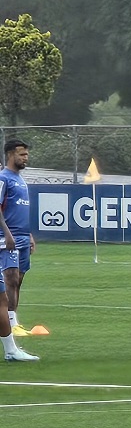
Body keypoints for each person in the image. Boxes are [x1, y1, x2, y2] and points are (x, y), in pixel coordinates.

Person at [1, 140, 36, 340]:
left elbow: (21, 210)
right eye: (22, 154)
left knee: (19, 279)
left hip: (22, 236)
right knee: (11, 278)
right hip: (8, 237)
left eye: (26, 155)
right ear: (10, 155)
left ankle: (14, 321)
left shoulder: (21, 180)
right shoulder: (4, 178)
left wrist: (29, 235)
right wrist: (7, 234)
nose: (25, 158)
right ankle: (10, 324)